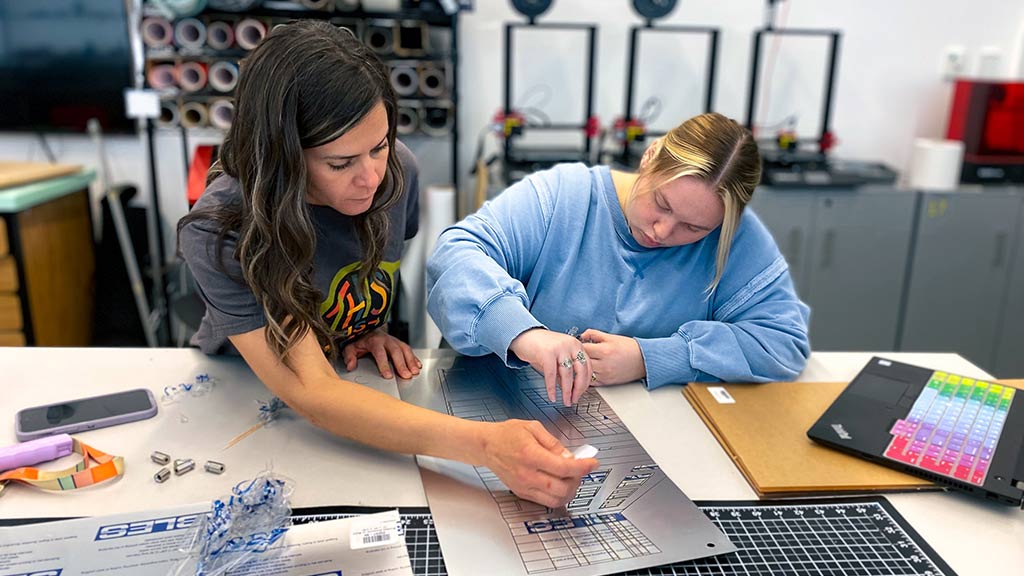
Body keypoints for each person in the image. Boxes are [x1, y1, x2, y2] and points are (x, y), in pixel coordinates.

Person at [178, 20, 596, 508]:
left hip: (353, 382)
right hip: (245, 402)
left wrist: (361, 326)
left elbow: (352, 278)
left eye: (379, 147)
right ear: (282, 160)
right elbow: (314, 392)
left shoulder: (399, 173)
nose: (371, 177)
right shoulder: (222, 228)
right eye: (341, 163)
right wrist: (486, 445)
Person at [427, 112, 811, 405]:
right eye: (661, 204)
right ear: (650, 156)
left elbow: (781, 342)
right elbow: (456, 255)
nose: (663, 231)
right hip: (502, 405)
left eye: (692, 229)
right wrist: (525, 334)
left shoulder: (734, 234)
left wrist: (651, 357)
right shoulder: (564, 196)